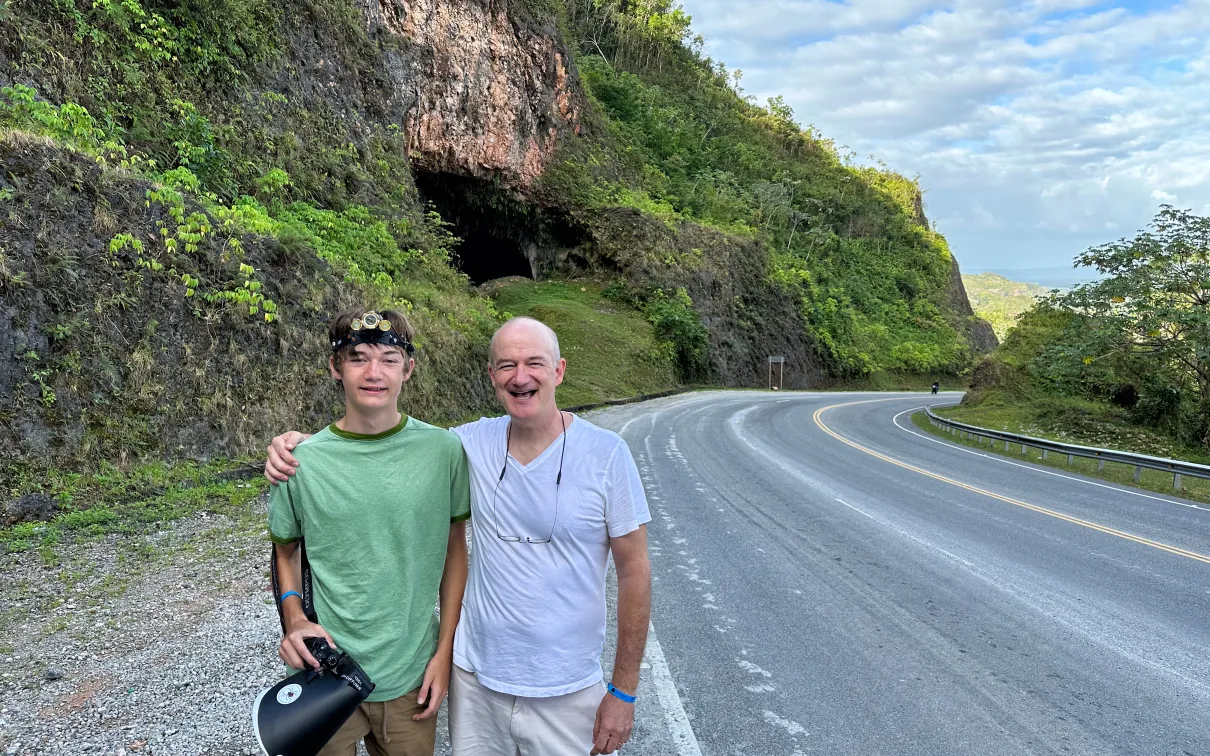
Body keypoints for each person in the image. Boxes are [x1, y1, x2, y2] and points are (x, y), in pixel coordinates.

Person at [265, 317, 652, 756]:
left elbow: (635, 571)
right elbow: (367, 446)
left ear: (559, 370)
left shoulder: (600, 454)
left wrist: (623, 690)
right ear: (491, 376)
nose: (520, 377)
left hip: (564, 686)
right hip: (474, 680)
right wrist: (302, 446)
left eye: (534, 363)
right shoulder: (466, 443)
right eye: (506, 365)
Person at [268, 308, 471, 756]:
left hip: (412, 674)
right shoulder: (300, 461)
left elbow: (455, 549)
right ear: (335, 367)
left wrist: (444, 653)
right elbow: (285, 551)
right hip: (324, 671)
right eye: (358, 357)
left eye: (389, 359)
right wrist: (296, 619)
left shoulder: (444, 451)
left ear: (409, 369)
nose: (374, 372)